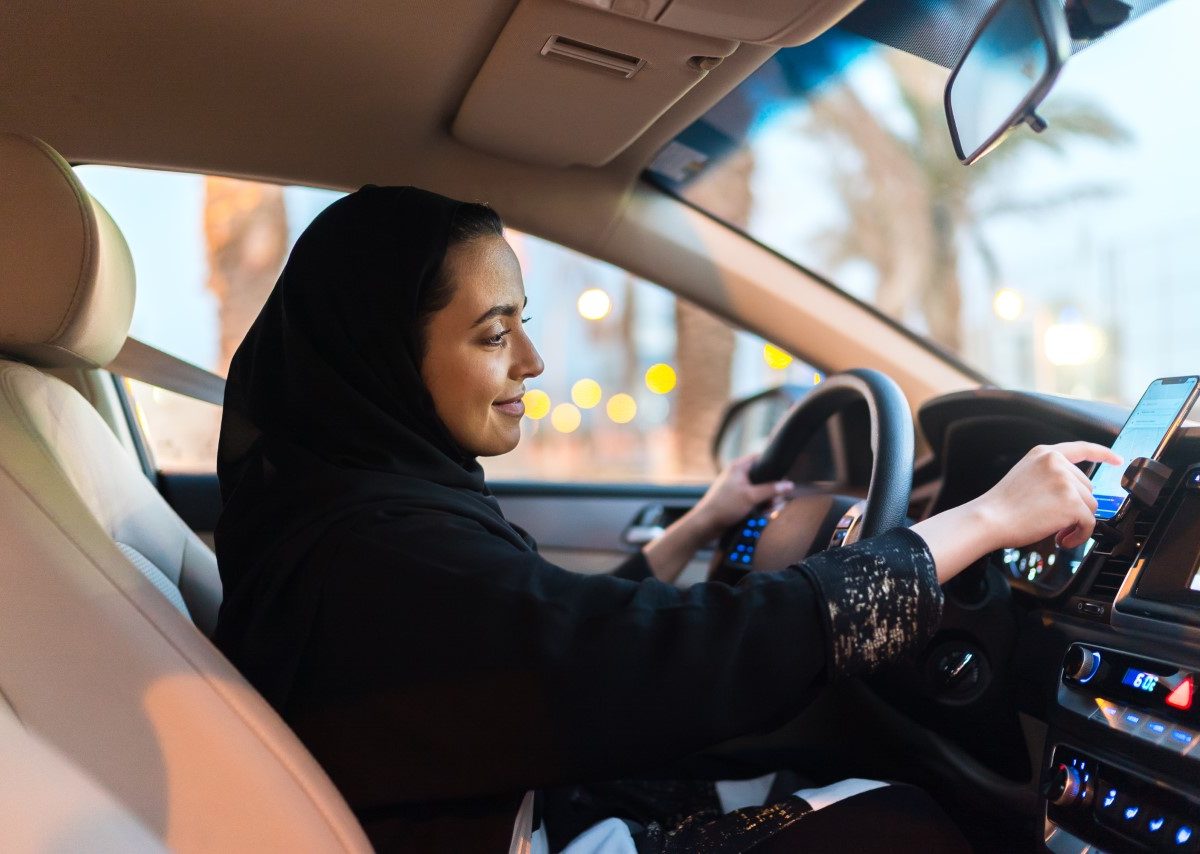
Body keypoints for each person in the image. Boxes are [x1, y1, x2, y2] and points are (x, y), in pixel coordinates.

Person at [213, 186, 1120, 853]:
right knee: (902, 831)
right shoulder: (378, 557)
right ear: (383, 355)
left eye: (522, 323)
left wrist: (697, 529)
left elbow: (539, 639)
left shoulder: (360, 510)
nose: (532, 359)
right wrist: (986, 519)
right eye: (494, 335)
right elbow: (649, 660)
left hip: (515, 814)